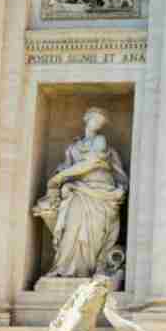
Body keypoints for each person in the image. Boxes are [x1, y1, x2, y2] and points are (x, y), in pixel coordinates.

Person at [33, 108, 128, 278]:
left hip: (101, 193)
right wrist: (60, 181)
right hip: (78, 192)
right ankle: (64, 268)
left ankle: (87, 272)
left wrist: (61, 177)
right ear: (87, 119)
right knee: (71, 228)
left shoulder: (101, 140)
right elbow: (65, 168)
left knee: (95, 235)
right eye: (95, 120)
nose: (97, 124)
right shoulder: (72, 148)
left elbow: (90, 164)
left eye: (101, 122)